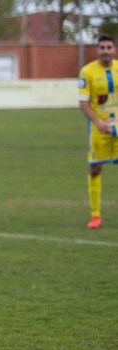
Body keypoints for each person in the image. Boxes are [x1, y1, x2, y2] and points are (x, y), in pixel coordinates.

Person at [78, 33, 117, 229]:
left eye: (109, 47)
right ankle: (95, 215)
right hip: (98, 128)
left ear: (114, 49)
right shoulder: (87, 71)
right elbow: (83, 103)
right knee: (95, 169)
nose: (105, 51)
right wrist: (97, 122)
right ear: (97, 50)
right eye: (102, 48)